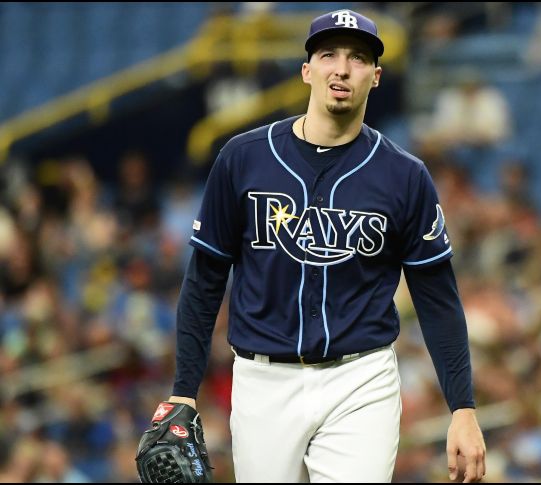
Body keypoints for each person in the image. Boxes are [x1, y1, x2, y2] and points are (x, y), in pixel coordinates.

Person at [153, 9, 486, 483]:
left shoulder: (405, 176)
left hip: (361, 379)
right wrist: (184, 389)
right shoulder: (243, 159)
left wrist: (463, 407)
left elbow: (438, 298)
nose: (342, 68)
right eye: (328, 54)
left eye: (358, 58)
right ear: (307, 70)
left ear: (376, 76)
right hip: (263, 379)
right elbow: (205, 279)